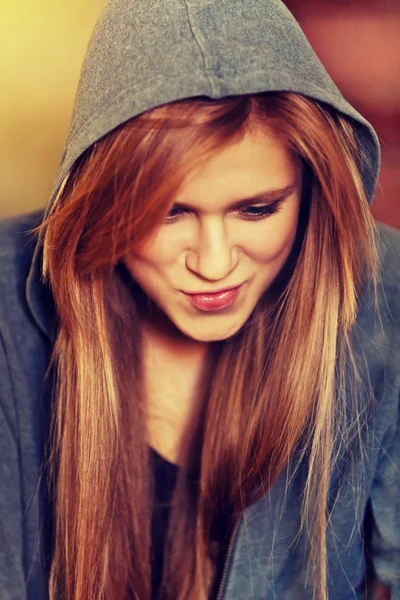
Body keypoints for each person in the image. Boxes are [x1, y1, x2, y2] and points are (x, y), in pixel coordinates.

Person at [0, 0, 399, 599]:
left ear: (313, 191)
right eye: (168, 213)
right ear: (100, 202)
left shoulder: (388, 302)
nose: (213, 264)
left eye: (257, 208)